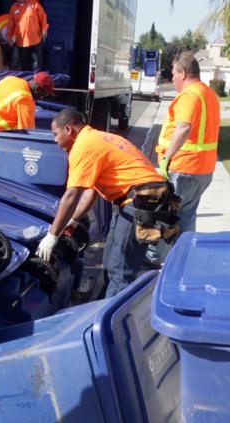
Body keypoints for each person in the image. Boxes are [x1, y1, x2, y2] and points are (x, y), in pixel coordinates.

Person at [38, 107, 165, 298]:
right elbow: (91, 192)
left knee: (122, 270)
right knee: (110, 261)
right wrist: (72, 221)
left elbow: (72, 195)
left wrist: (52, 236)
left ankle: (111, 322)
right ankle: (102, 306)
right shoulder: (96, 138)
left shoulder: (84, 146)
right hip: (136, 199)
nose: (55, 141)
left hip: (141, 202)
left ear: (69, 130)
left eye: (56, 134)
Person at [155, 51, 219, 244]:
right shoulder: (209, 94)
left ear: (183, 73)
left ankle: (165, 258)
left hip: (184, 167)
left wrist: (167, 157)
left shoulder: (189, 95)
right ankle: (185, 255)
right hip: (203, 169)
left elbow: (184, 127)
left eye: (174, 73)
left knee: (168, 215)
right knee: (187, 215)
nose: (172, 78)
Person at [0, 71, 55, 170]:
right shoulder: (25, 99)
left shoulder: (12, 80)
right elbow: (28, 134)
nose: (42, 98)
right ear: (38, 89)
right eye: (44, 94)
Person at [9, 0, 48, 71]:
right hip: (22, 42)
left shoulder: (34, 3)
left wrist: (44, 29)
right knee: (24, 67)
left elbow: (43, 16)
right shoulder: (13, 8)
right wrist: (9, 38)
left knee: (37, 67)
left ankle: (36, 81)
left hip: (36, 40)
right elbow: (11, 25)